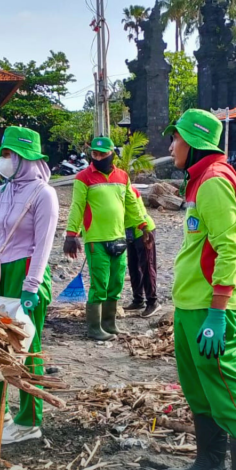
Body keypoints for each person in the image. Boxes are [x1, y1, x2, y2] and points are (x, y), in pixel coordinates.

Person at [160, 110, 236, 470]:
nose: (171, 147)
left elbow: (230, 248)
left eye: (176, 139)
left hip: (209, 307)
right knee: (199, 390)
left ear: (194, 142)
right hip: (191, 303)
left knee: (226, 390)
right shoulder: (202, 180)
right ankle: (209, 462)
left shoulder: (215, 182)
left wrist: (218, 312)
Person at [0, 126, 59, 444]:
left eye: (8, 155)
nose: (3, 160)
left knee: (25, 345)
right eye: (2, 154)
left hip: (26, 275)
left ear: (24, 158)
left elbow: (44, 245)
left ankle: (30, 418)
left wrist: (31, 286)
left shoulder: (44, 194)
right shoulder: (5, 191)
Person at [64, 137, 148, 340]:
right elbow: (77, 206)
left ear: (112, 154)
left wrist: (143, 227)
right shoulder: (84, 177)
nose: (98, 157)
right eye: (95, 154)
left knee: (116, 283)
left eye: (103, 154)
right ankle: (94, 328)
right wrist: (71, 234)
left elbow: (132, 204)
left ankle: (109, 324)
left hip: (119, 237)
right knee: (99, 284)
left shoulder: (122, 176)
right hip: (96, 239)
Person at [125, 185, 160, 317]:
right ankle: (138, 299)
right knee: (133, 266)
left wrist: (144, 227)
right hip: (131, 232)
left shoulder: (128, 191)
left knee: (147, 266)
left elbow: (135, 211)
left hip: (143, 230)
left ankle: (152, 302)